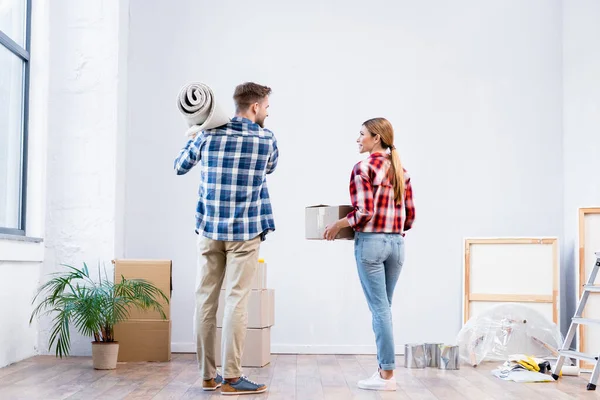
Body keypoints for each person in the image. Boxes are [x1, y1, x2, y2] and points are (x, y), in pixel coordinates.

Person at [174, 82, 278, 395]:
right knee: (236, 301)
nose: (268, 111)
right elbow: (271, 167)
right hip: (245, 233)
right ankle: (232, 378)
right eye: (268, 106)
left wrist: (194, 134)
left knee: (205, 300)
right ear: (256, 107)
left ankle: (208, 376)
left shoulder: (206, 134)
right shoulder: (265, 138)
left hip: (209, 231)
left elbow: (179, 167)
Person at [323, 117, 415, 392]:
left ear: (376, 138)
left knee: (380, 310)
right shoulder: (401, 170)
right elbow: (409, 218)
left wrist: (338, 224)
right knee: (384, 308)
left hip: (371, 245)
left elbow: (364, 212)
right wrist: (392, 230)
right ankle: (383, 371)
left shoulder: (362, 168)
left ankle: (387, 375)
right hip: (397, 244)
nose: (357, 139)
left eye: (361, 134)